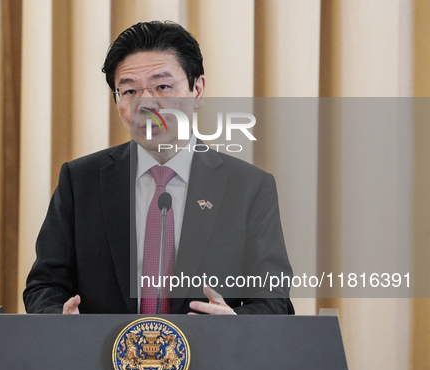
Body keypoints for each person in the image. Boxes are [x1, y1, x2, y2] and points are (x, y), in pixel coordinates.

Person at [24, 21, 294, 315]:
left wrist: (233, 325)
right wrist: (61, 324)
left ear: (198, 90)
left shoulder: (249, 187)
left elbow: (274, 299)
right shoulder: (80, 182)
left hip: (209, 357)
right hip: (100, 357)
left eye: (163, 86)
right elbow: (44, 285)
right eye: (128, 91)